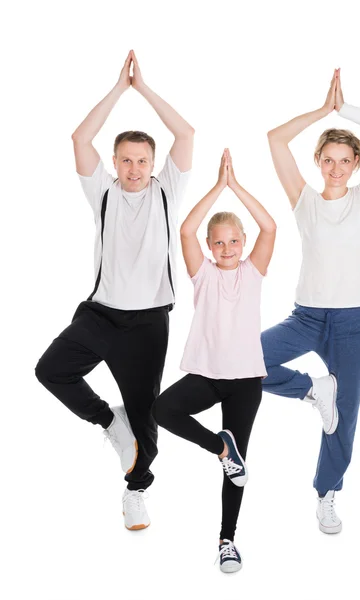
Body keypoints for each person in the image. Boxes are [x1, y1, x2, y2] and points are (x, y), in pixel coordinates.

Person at [35, 50, 194, 530]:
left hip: (148, 324)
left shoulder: (167, 190)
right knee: (51, 370)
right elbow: (80, 137)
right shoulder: (102, 192)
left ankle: (135, 493)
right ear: (115, 162)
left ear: (152, 163)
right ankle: (109, 420)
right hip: (100, 315)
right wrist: (118, 90)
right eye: (125, 160)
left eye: (142, 160)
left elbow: (185, 134)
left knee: (148, 426)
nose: (134, 168)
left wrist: (143, 89)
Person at [262, 69, 360, 534]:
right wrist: (322, 111)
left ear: (357, 162)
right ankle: (310, 389)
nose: (337, 168)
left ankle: (327, 494)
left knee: (345, 417)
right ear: (319, 162)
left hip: (355, 322)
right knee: (246, 358)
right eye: (329, 160)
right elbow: (275, 139)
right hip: (306, 317)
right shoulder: (304, 199)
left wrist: (349, 112)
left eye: (345, 159)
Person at [153, 149, 276, 573]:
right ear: (210, 247)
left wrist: (236, 187)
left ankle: (228, 540)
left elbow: (270, 226)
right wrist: (217, 186)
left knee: (237, 469)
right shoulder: (202, 272)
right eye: (219, 242)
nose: (226, 248)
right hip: (206, 375)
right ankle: (221, 446)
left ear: (243, 244)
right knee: (162, 408)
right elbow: (185, 229)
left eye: (234, 241)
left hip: (245, 382)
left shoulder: (253, 272)